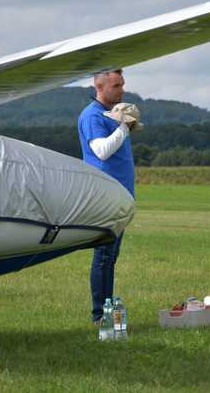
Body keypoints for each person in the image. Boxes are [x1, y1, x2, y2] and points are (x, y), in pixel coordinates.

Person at [77, 69, 136, 323]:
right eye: (116, 85)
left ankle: (107, 310)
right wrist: (125, 127)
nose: (122, 89)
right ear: (100, 86)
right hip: (104, 196)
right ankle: (100, 314)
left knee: (110, 257)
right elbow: (101, 151)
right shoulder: (92, 116)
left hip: (119, 195)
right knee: (103, 256)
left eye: (122, 84)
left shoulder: (110, 114)